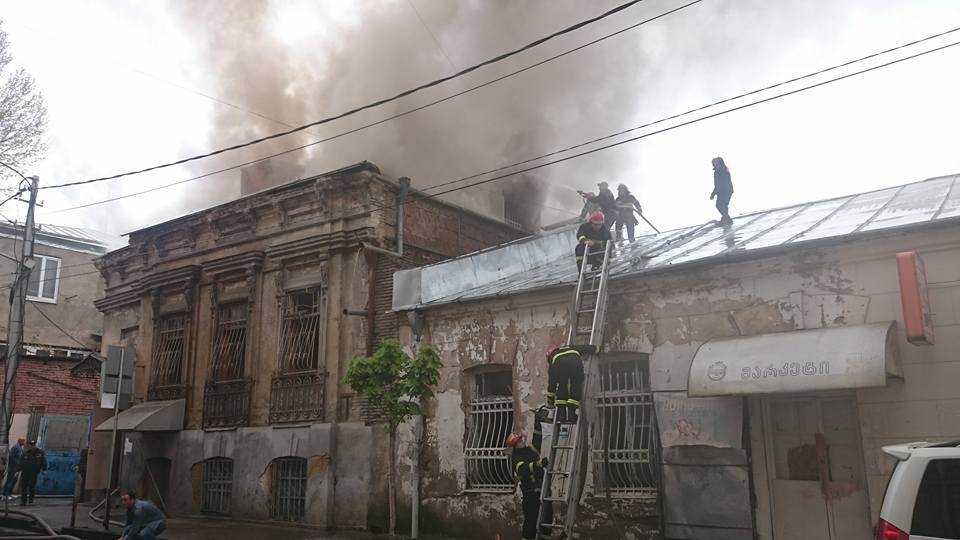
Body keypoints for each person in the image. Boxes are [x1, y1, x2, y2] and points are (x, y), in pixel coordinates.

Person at [505, 407, 552, 540]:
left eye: (520, 439)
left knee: (547, 520)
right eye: (519, 441)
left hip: (543, 491)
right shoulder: (517, 458)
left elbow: (537, 440)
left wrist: (537, 423)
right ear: (515, 446)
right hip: (531, 495)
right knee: (530, 523)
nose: (522, 440)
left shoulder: (529, 450)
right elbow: (523, 470)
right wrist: (538, 464)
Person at [546, 345, 585, 424]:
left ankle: (561, 416)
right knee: (575, 385)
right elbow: (585, 348)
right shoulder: (570, 347)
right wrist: (598, 349)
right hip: (576, 363)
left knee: (562, 385)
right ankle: (571, 416)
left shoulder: (554, 362)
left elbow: (551, 385)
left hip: (560, 366)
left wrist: (550, 401)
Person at [19, 440, 46, 505]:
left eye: (34, 445)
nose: (32, 446)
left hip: (34, 473)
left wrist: (44, 469)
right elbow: (21, 462)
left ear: (35, 445)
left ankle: (31, 499)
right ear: (29, 446)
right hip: (25, 472)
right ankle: (23, 501)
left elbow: (43, 461)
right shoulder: (25, 453)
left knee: (31, 486)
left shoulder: (40, 452)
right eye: (31, 445)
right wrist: (18, 470)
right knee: (24, 487)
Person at [710, 157, 734, 225]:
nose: (713, 163)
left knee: (720, 205)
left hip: (724, 190)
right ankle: (726, 219)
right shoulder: (724, 169)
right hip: (726, 190)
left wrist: (713, 193)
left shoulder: (720, 170)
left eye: (715, 161)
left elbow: (719, 183)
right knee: (723, 206)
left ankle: (727, 219)